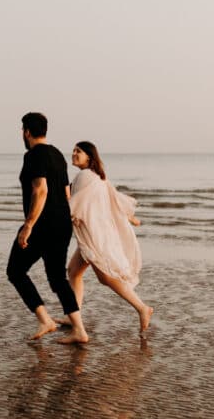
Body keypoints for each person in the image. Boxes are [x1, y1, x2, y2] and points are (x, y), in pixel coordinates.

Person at [6, 112, 89, 344]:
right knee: (57, 278)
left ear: (27, 132)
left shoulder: (33, 155)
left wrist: (28, 226)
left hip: (42, 225)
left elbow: (40, 190)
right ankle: (79, 330)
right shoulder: (57, 155)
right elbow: (66, 193)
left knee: (15, 270)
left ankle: (45, 320)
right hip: (62, 224)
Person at [61, 141, 153, 335]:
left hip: (95, 236)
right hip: (97, 233)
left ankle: (142, 308)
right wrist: (130, 218)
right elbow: (115, 198)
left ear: (89, 156)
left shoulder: (84, 176)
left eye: (79, 151)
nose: (74, 154)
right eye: (73, 150)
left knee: (105, 277)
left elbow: (75, 205)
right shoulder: (98, 177)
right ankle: (73, 317)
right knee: (74, 272)